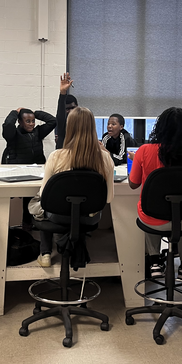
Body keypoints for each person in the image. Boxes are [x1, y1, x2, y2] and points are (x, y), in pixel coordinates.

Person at [29, 106, 114, 268]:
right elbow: (108, 198)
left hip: (58, 216)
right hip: (90, 218)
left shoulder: (56, 156)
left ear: (70, 127)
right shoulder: (105, 158)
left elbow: (44, 195)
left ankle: (45, 253)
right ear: (92, 127)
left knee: (38, 204)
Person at [128, 107, 182, 280]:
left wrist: (139, 163)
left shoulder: (144, 151)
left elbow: (133, 184)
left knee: (148, 208)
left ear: (160, 127)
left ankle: (155, 261)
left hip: (154, 221)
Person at [2, 106, 56, 230]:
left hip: (37, 170)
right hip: (20, 171)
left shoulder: (38, 132)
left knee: (34, 197)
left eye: (33, 121)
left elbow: (53, 121)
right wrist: (14, 113)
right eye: (27, 121)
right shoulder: (13, 134)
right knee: (25, 198)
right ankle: (25, 224)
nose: (31, 124)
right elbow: (7, 125)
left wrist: (34, 113)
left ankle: (31, 222)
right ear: (20, 122)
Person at [56, 72, 78, 149]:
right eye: (67, 109)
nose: (71, 111)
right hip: (63, 155)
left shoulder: (83, 122)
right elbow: (60, 116)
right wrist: (63, 93)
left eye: (73, 108)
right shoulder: (62, 122)